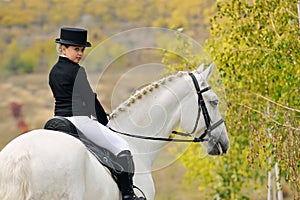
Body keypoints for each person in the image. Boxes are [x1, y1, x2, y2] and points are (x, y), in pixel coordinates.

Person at [49, 27, 145, 200]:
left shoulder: (53, 71)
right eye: (76, 49)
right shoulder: (77, 71)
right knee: (122, 147)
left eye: (82, 50)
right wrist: (104, 121)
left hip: (57, 119)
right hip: (79, 121)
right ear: (63, 48)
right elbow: (89, 98)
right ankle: (128, 195)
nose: (80, 53)